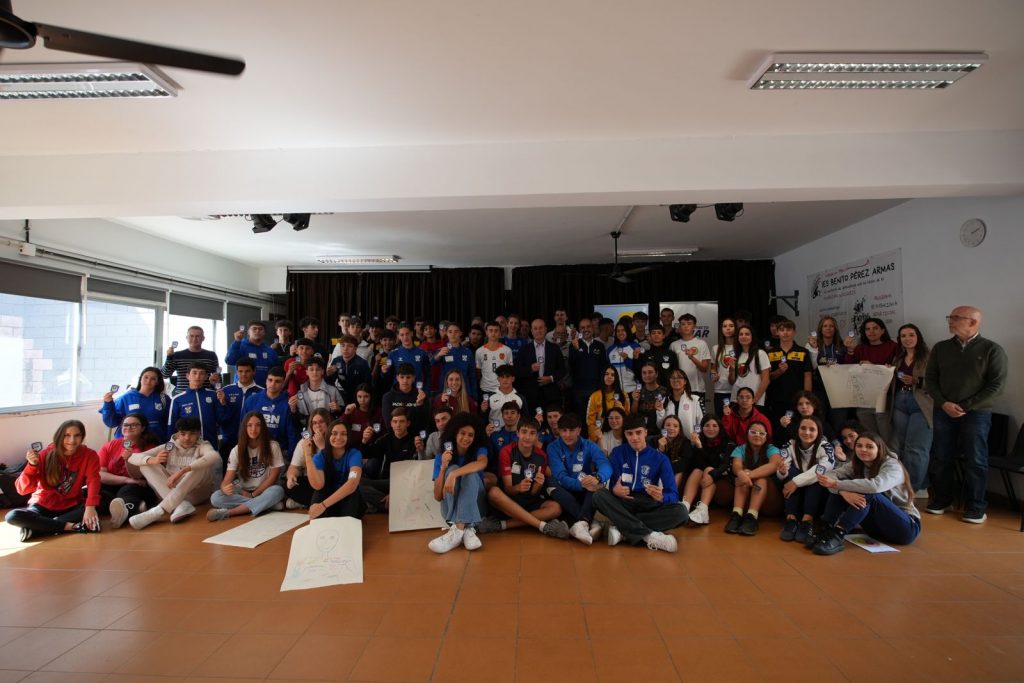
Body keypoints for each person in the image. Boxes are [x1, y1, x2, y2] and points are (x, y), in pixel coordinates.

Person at [925, 306, 1008, 523]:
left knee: (976, 459)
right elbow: (931, 380)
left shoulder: (992, 349)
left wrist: (965, 406)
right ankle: (943, 500)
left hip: (976, 413)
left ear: (973, 322)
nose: (950, 321)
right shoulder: (941, 348)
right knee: (941, 456)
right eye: (949, 317)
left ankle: (976, 507)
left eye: (955, 318)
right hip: (943, 410)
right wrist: (943, 403)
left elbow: (997, 385)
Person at [811, 432, 920, 555]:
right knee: (843, 488)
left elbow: (875, 486)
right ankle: (826, 528)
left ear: (879, 448)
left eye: (869, 446)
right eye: (859, 446)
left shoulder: (892, 465)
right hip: (876, 529)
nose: (863, 449)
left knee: (869, 493)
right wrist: (842, 490)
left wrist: (837, 484)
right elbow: (828, 477)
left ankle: (837, 535)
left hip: (906, 529)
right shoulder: (857, 463)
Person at [592, 415, 687, 552]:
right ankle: (649, 536)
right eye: (630, 434)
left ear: (646, 432)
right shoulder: (618, 453)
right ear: (625, 434)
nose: (634, 438)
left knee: (682, 512)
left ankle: (623, 529)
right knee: (599, 495)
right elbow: (614, 485)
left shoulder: (660, 458)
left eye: (638, 432)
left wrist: (662, 497)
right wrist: (614, 490)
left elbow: (673, 494)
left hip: (648, 504)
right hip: (623, 502)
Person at [5, 420, 101, 541]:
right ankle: (73, 527)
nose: (72, 440)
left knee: (95, 506)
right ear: (59, 436)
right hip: (43, 505)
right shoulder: (45, 454)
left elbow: (93, 480)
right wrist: (31, 466)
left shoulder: (90, 455)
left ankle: (38, 528)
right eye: (67, 435)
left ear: (82, 437)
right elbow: (22, 490)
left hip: (71, 505)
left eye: (77, 435)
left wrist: (90, 507)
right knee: (13, 516)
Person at [479, 418, 570, 539]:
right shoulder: (506, 451)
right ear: (517, 433)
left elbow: (534, 493)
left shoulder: (541, 456)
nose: (527, 437)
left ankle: (502, 525)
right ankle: (543, 526)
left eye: (532, 433)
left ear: (537, 436)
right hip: (508, 500)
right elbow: (508, 488)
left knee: (556, 508)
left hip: (528, 500)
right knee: (494, 493)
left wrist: (538, 485)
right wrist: (518, 488)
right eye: (524, 432)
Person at [127, 417, 221, 529]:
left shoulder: (203, 445)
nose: (187, 438)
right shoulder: (169, 446)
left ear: (198, 434)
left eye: (192, 434)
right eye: (183, 434)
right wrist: (154, 460)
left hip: (195, 494)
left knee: (201, 466)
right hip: (171, 492)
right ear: (177, 434)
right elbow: (133, 457)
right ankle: (181, 505)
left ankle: (159, 510)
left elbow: (214, 456)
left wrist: (183, 470)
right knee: (145, 465)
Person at [546, 413, 612, 545]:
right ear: (559, 431)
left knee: (595, 479)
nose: (567, 435)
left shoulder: (589, 445)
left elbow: (605, 465)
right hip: (565, 491)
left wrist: (598, 477)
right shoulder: (553, 447)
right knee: (551, 482)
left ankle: (581, 523)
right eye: (564, 430)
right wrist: (581, 484)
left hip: (586, 492)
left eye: (572, 430)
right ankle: (588, 521)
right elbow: (561, 476)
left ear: (579, 430)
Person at [428, 413, 490, 553]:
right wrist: (444, 468)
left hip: (477, 507)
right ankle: (466, 529)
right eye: (462, 433)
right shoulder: (441, 456)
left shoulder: (479, 450)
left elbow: (482, 463)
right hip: (450, 509)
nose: (466, 438)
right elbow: (438, 496)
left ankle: (457, 531)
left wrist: (455, 474)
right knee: (452, 467)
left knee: (467, 472)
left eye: (470, 435)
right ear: (454, 433)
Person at [208, 411, 286, 521]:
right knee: (216, 497)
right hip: (243, 492)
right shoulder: (236, 450)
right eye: (249, 425)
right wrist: (225, 488)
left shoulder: (273, 446)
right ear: (244, 427)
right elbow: (226, 481)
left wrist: (254, 495)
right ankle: (267, 504)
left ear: (263, 427)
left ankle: (230, 512)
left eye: (258, 425)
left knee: (278, 491)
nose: (253, 429)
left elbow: (273, 477)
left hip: (265, 490)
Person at [776, 416, 836, 545]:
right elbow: (782, 471)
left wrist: (795, 482)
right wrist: (782, 472)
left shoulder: (826, 446)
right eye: (803, 428)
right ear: (797, 430)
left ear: (818, 432)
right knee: (791, 471)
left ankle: (807, 521)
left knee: (818, 478)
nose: (807, 432)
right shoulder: (789, 444)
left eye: (812, 429)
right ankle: (791, 519)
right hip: (794, 494)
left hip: (817, 495)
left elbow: (823, 468)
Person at [888, 324, 934, 491]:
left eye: (911, 335)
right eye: (903, 336)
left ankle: (913, 488)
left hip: (921, 402)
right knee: (901, 446)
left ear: (918, 337)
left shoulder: (929, 357)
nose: (907, 339)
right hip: (900, 400)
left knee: (917, 448)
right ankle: (906, 483)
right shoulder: (898, 358)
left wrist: (918, 381)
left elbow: (939, 381)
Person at [842, 317, 899, 442]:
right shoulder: (860, 348)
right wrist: (850, 351)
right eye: (867, 329)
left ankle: (891, 460)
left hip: (884, 397)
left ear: (883, 330)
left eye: (875, 328)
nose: (871, 331)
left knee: (886, 435)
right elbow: (848, 367)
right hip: (864, 398)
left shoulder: (893, 346)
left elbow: (897, 369)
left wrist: (873, 366)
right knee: (870, 436)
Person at [97, 413, 158, 529]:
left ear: (143, 428)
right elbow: (100, 474)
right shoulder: (109, 446)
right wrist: (127, 480)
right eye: (125, 425)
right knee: (94, 489)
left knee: (127, 492)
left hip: (138, 485)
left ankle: (123, 513)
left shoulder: (149, 447)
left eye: (134, 425)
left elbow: (138, 476)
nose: (128, 428)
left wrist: (128, 459)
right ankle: (135, 507)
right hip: (117, 483)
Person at [724, 423, 783, 536]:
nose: (757, 435)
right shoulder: (740, 448)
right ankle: (736, 514)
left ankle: (752, 517)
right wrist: (741, 473)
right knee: (740, 475)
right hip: (748, 498)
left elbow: (774, 465)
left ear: (766, 437)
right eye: (753, 432)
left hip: (770, 502)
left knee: (759, 478)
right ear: (747, 434)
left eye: (762, 433)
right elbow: (736, 465)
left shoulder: (772, 449)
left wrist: (749, 474)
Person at [360, 407, 421, 512]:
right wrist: (364, 440)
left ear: (408, 423)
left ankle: (385, 504)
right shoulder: (386, 439)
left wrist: (396, 492)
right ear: (391, 423)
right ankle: (389, 504)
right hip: (386, 481)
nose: (398, 425)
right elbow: (368, 453)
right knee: (357, 483)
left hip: (406, 483)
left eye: (401, 421)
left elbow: (416, 472)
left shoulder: (415, 441)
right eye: (395, 421)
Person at [764, 319, 812, 446]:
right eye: (782, 330)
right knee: (778, 430)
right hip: (776, 399)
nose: (785, 333)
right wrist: (779, 371)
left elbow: (807, 375)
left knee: (796, 430)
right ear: (777, 333)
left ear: (794, 332)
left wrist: (806, 398)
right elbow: (767, 378)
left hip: (797, 400)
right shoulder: (770, 353)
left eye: (788, 330)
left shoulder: (803, 352)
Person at [307, 420, 365, 519]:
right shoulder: (320, 456)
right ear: (328, 436)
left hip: (347, 499)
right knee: (320, 490)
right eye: (334, 433)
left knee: (353, 492)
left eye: (343, 434)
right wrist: (307, 456)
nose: (338, 437)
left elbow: (352, 483)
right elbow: (317, 485)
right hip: (329, 503)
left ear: (348, 437)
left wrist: (323, 505)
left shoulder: (354, 454)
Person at [683, 416, 734, 525]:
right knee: (698, 470)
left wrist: (713, 475)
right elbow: (697, 465)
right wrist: (699, 447)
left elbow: (724, 465)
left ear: (720, 428)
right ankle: (684, 507)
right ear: (702, 428)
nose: (711, 429)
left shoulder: (728, 442)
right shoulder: (699, 440)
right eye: (707, 425)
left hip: (723, 481)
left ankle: (703, 510)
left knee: (709, 469)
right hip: (705, 479)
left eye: (714, 426)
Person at [100, 366, 171, 441]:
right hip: (130, 442)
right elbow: (111, 423)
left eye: (153, 379)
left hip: (155, 441)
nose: (148, 381)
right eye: (146, 377)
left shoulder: (164, 399)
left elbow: (169, 422)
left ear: (157, 382)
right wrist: (108, 404)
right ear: (140, 379)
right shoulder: (125, 398)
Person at [215, 356, 262, 463]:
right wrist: (223, 404)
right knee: (226, 472)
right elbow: (220, 418)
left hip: (252, 440)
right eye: (240, 371)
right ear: (236, 372)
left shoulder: (261, 392)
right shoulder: (226, 390)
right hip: (228, 439)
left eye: (247, 371)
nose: (244, 374)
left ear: (254, 371)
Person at [242, 366, 297, 454]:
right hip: (253, 450)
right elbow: (242, 427)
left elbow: (292, 435)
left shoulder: (288, 404)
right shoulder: (251, 400)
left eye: (277, 381)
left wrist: (290, 458)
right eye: (270, 380)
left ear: (283, 384)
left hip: (280, 452)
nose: (273, 384)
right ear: (266, 381)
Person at [807, 315, 848, 432]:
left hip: (838, 390)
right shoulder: (812, 345)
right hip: (819, 388)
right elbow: (812, 367)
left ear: (835, 329)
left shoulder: (842, 345)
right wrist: (814, 349)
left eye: (831, 326)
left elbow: (849, 367)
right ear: (820, 329)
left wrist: (837, 367)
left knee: (839, 422)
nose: (828, 328)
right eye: (825, 326)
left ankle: (839, 447)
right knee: (820, 421)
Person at [513, 319, 566, 412]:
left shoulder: (555, 348)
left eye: (541, 328)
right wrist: (530, 369)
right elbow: (517, 371)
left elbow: (562, 369)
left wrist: (551, 378)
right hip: (531, 395)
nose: (538, 331)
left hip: (551, 395)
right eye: (535, 328)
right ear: (532, 331)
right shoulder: (524, 350)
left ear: (545, 329)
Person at [285, 407, 331, 509]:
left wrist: (322, 447)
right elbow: (294, 467)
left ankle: (308, 503)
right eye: (314, 423)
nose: (318, 425)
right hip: (311, 480)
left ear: (328, 423)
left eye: (321, 422)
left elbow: (335, 467)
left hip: (330, 480)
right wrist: (292, 476)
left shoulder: (334, 439)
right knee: (289, 486)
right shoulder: (304, 442)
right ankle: (316, 503)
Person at [167, 363, 223, 446]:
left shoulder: (213, 395)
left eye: (201, 373)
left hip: (210, 444)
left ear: (206, 376)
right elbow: (171, 427)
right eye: (194, 373)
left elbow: (222, 419)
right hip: (187, 447)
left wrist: (223, 403)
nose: (197, 376)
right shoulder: (177, 399)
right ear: (187, 376)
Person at [669, 314, 711, 411]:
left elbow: (704, 368)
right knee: (680, 418)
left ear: (694, 326)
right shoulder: (673, 345)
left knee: (699, 418)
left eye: (689, 323)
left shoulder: (701, 344)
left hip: (697, 388)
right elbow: (671, 370)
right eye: (683, 324)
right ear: (679, 327)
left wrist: (692, 357)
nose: (686, 326)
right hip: (678, 388)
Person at [566, 317, 608, 413]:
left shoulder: (600, 346)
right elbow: (571, 366)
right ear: (579, 330)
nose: (586, 330)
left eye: (588, 327)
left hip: (596, 388)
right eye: (583, 327)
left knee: (596, 416)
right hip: (579, 389)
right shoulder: (573, 345)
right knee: (580, 417)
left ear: (593, 328)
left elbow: (603, 367)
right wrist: (576, 349)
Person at [162, 326, 219, 394]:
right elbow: (164, 375)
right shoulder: (177, 355)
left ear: (203, 338)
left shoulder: (211, 355)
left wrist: (216, 385)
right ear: (187, 338)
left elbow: (218, 379)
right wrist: (169, 357)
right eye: (191, 336)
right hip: (182, 396)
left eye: (197, 336)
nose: (194, 339)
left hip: (205, 396)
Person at [432, 322, 479, 399]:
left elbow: (472, 376)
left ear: (461, 333)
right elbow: (430, 364)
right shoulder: (442, 350)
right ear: (446, 333)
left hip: (464, 391)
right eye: (450, 332)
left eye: (456, 331)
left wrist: (475, 397)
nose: (453, 334)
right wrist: (438, 355)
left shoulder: (467, 352)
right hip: (446, 391)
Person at [381, 362, 430, 435]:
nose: (405, 381)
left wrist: (420, 405)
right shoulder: (388, 397)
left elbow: (424, 424)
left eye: (408, 377)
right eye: (402, 377)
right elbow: (389, 424)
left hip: (415, 437)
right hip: (394, 437)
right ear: (397, 378)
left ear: (413, 378)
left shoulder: (421, 396)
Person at [225, 319, 278, 387]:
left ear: (264, 333)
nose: (257, 331)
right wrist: (237, 341)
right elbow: (229, 361)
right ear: (248, 332)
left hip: (263, 391)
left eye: (260, 329)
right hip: (241, 390)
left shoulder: (270, 351)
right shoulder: (240, 345)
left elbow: (275, 371)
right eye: (254, 329)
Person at [657, 368, 703, 443]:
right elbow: (660, 426)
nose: (676, 380)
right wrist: (660, 411)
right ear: (669, 381)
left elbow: (701, 422)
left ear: (685, 381)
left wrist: (696, 436)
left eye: (679, 377)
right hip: (669, 444)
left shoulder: (695, 400)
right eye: (673, 378)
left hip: (690, 443)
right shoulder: (664, 401)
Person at [293, 357, 342, 428]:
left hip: (329, 429)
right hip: (310, 430)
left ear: (322, 371)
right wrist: (293, 409)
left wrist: (338, 408)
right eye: (311, 369)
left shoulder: (332, 390)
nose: (314, 372)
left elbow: (342, 411)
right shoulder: (300, 393)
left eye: (318, 369)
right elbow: (299, 418)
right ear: (306, 372)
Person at [729, 325, 770, 407]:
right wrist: (732, 369)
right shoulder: (736, 355)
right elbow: (731, 382)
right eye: (741, 334)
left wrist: (755, 400)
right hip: (736, 400)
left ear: (752, 337)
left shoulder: (760, 354)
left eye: (747, 334)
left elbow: (766, 380)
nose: (743, 336)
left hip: (754, 401)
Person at [585, 366, 630, 442]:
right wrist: (596, 438)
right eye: (606, 374)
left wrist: (621, 409)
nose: (609, 377)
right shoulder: (595, 396)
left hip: (619, 435)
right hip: (600, 435)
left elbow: (629, 418)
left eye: (612, 375)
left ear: (616, 378)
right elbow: (590, 421)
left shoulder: (623, 395)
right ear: (602, 376)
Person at [329, 334, 373, 405]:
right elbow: (330, 383)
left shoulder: (362, 364)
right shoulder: (336, 361)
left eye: (349, 346)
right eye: (343, 345)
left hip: (358, 398)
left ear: (355, 348)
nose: (345, 349)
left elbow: (368, 385)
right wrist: (328, 375)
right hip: (341, 395)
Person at [390, 324, 433, 393]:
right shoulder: (393, 354)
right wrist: (384, 372)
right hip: (399, 393)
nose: (405, 337)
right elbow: (389, 376)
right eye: (402, 335)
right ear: (398, 336)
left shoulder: (422, 353)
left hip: (418, 392)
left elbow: (428, 374)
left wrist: (426, 391)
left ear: (412, 334)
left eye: (407, 334)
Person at [476, 321, 514, 398]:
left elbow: (510, 372)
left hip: (502, 389)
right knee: (485, 409)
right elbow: (478, 372)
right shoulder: (479, 351)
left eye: (496, 331)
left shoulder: (507, 350)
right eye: (490, 330)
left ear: (500, 333)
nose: (493, 333)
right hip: (485, 389)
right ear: (486, 332)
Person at [341, 383, 382, 449]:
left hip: (374, 450)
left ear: (371, 396)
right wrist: (346, 414)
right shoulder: (351, 411)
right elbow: (340, 427)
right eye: (359, 397)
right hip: (354, 449)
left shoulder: (379, 412)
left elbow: (382, 433)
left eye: (366, 396)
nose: (362, 400)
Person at [711, 318, 737, 416]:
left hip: (737, 390)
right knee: (721, 421)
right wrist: (713, 374)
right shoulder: (716, 348)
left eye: (731, 325)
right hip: (720, 390)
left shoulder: (740, 347)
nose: (728, 328)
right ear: (721, 329)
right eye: (725, 326)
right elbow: (713, 368)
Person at [607, 321, 643, 394]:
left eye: (623, 330)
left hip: (632, 389)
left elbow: (640, 369)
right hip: (615, 391)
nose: (620, 333)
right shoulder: (610, 349)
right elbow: (608, 371)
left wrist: (627, 359)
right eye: (618, 331)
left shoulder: (635, 347)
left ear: (628, 331)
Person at [631, 362, 667, 434]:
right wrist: (635, 400)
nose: (647, 375)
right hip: (642, 432)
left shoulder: (665, 392)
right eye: (644, 373)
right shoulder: (638, 392)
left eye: (650, 372)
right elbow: (633, 414)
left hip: (659, 432)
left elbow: (668, 414)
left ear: (656, 374)